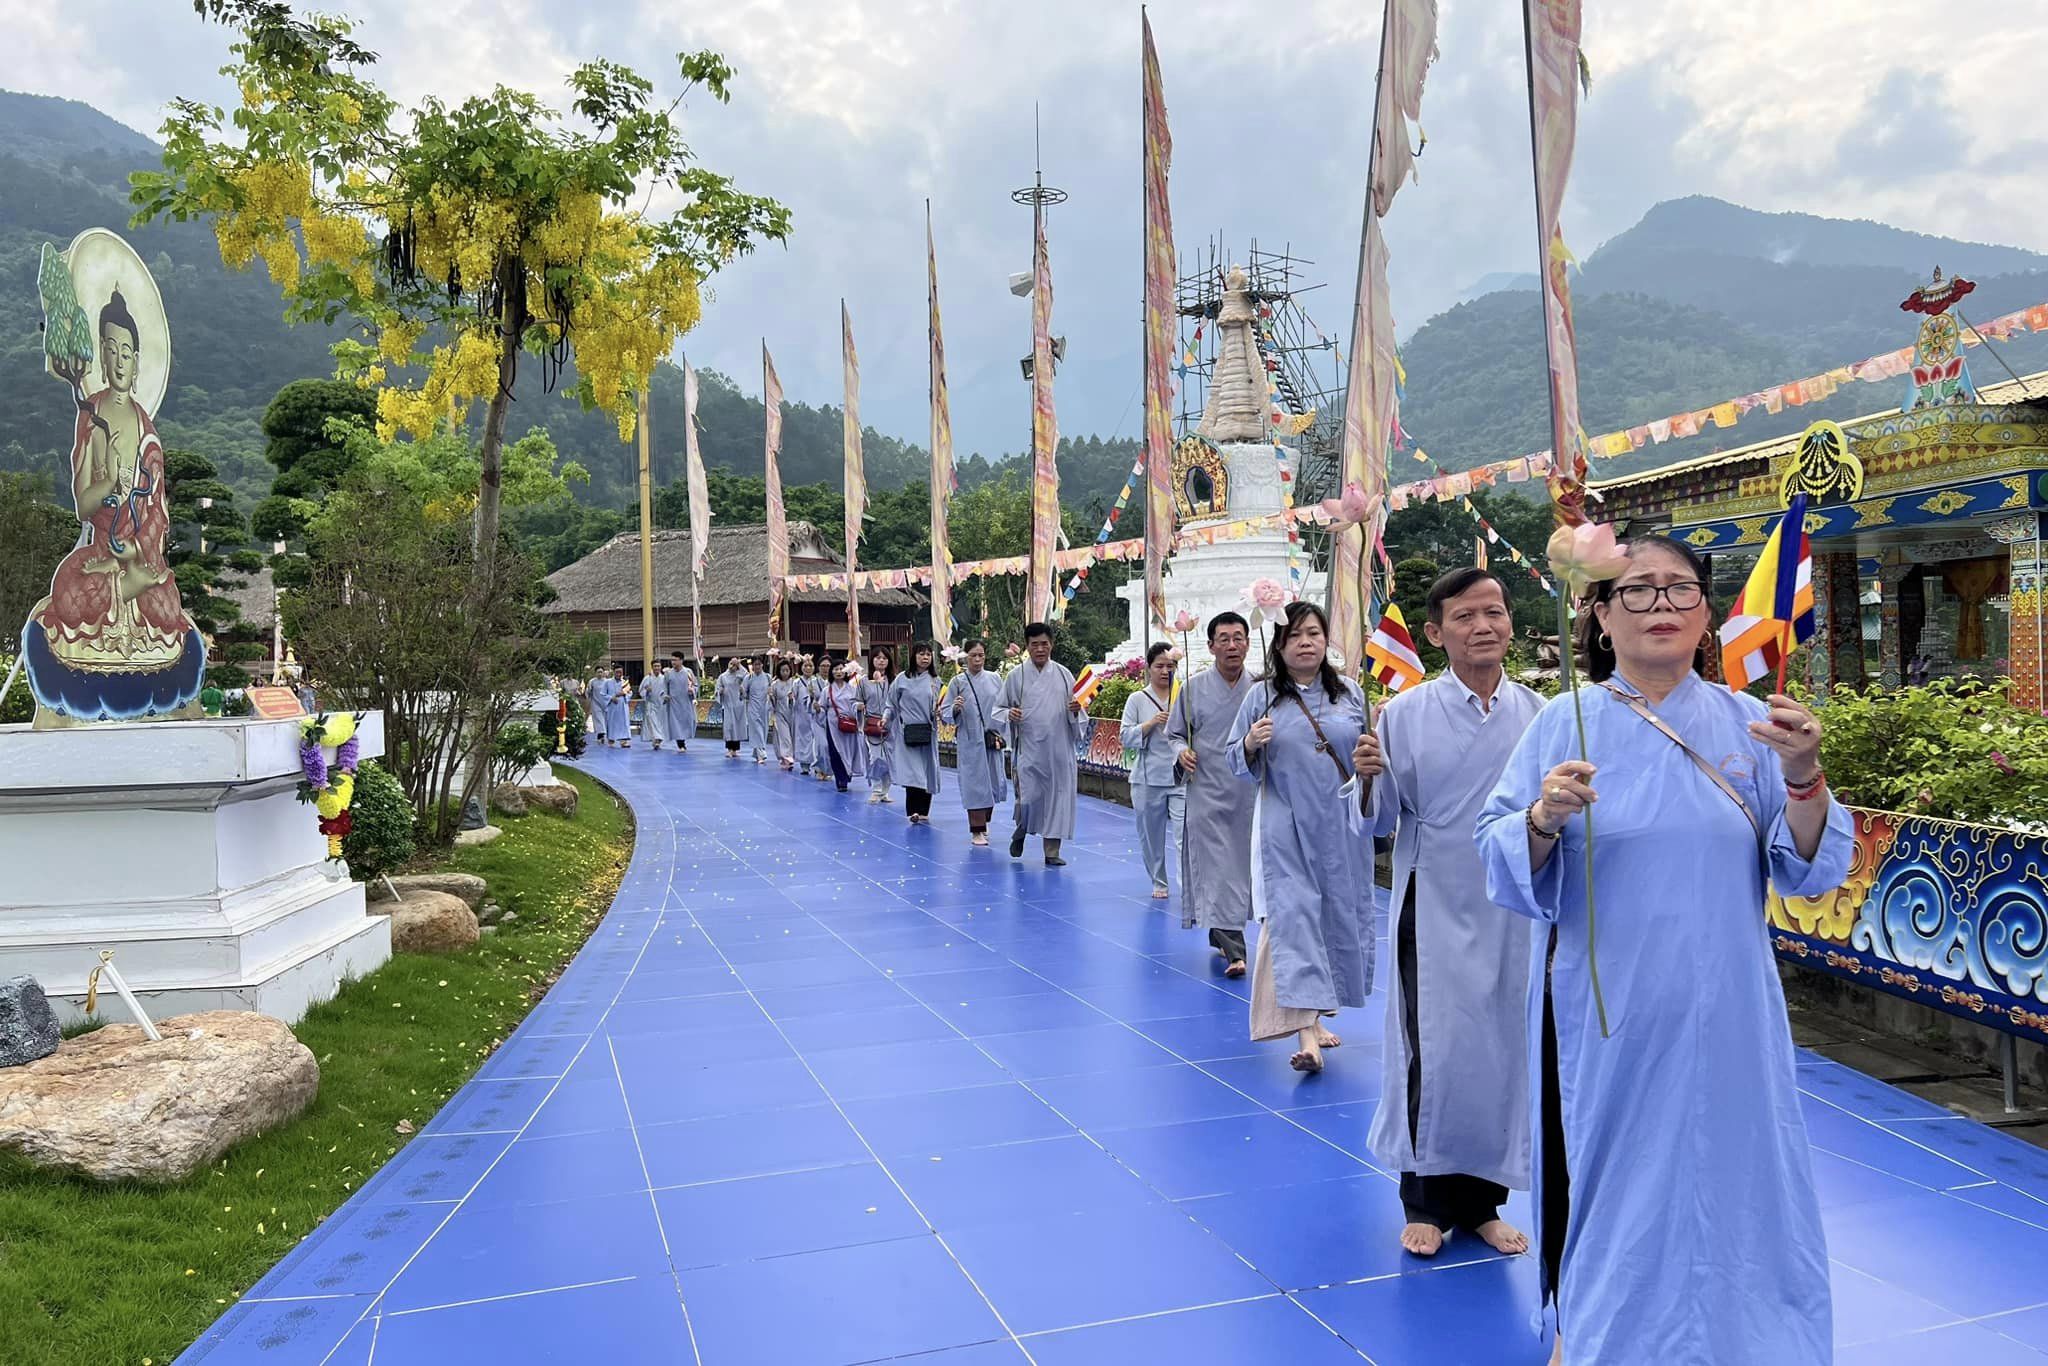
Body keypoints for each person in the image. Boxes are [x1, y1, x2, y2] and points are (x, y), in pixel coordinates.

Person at [1475, 534, 1851, 1366]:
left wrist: (1804, 773)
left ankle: (1750, 1341)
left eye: (1679, 589)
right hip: (1610, 1013)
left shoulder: (1750, 725)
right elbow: (1497, 851)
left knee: (1740, 1171)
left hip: (1730, 1008)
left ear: (1706, 614)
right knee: (1619, 1178)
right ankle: (1601, 1334)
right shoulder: (1563, 723)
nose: (1660, 606)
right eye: (1637, 591)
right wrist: (1543, 818)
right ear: (1601, 616)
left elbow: (1807, 869)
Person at [1360, 567, 1542, 1260]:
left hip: (1512, 901)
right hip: (1433, 899)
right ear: (1436, 634)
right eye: (1465, 616)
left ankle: (1483, 1202)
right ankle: (1425, 1201)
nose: (1483, 626)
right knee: (1432, 1047)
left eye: (1494, 612)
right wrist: (1368, 777)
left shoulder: (1541, 713)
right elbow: (1378, 820)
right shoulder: (1404, 713)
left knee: (1501, 1047)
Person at [1227, 600, 1371, 1074]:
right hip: (1284, 828)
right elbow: (1233, 760)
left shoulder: (1350, 693)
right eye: (1294, 635)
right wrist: (1250, 743)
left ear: (1326, 640)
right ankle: (1307, 1034)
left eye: (1313, 633)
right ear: (1279, 645)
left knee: (1331, 918)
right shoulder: (1262, 697)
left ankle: (1317, 1013)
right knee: (1292, 920)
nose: (1305, 643)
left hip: (1341, 828)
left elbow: (1369, 754)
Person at [1168, 612, 1257, 975]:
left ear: (1248, 643)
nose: (1232, 645)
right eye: (1224, 639)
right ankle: (1236, 950)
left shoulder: (1261, 689)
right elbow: (1175, 734)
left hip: (1248, 791)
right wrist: (1182, 752)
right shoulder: (1193, 688)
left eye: (1238, 638)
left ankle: (1219, 933)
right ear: (1210, 646)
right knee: (1218, 869)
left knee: (1239, 870)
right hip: (1206, 790)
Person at [1000, 622, 1090, 866]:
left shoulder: (1064, 674)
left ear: (1052, 645)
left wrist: (1076, 709)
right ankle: (1022, 827)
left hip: (1059, 749)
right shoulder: (1016, 676)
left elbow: (1078, 709)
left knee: (1058, 799)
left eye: (1044, 644)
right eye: (1034, 644)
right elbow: (998, 709)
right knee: (1029, 797)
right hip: (1029, 749)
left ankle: (1052, 851)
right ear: (1027, 646)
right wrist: (1009, 714)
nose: (1040, 649)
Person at [1120, 642, 1181, 899]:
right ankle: (1159, 881)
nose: (1165, 671)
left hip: (1180, 776)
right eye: (1160, 666)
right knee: (1151, 835)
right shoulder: (1137, 699)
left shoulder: (1183, 695)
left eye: (1170, 666)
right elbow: (1125, 736)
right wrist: (1150, 724)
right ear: (1149, 668)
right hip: (1148, 777)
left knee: (1185, 834)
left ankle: (1188, 884)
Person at [942, 639, 1008, 845]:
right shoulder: (958, 682)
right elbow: (945, 711)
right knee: (974, 785)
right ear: (966, 657)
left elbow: (1003, 705)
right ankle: (976, 830)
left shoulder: (995, 679)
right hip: (970, 740)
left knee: (992, 783)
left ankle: (985, 820)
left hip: (991, 739)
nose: (978, 659)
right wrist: (955, 707)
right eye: (973, 656)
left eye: (981, 655)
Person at [886, 642, 944, 824]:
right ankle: (912, 811)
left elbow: (941, 705)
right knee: (912, 772)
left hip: (928, 732)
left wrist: (939, 712)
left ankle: (924, 810)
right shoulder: (902, 679)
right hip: (908, 732)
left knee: (926, 770)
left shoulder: (935, 681)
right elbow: (891, 704)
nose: (925, 658)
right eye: (921, 654)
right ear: (913, 656)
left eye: (928, 654)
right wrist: (886, 718)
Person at [823, 662, 866, 793]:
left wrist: (859, 708)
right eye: (835, 669)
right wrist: (817, 708)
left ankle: (847, 772)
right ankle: (840, 779)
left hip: (849, 723)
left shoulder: (853, 688)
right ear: (831, 672)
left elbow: (857, 703)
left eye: (841, 669)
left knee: (849, 750)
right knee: (835, 752)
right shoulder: (827, 690)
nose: (839, 671)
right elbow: (822, 707)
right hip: (833, 724)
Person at [861, 648, 895, 804]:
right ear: (872, 660)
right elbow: (855, 700)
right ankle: (876, 789)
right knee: (876, 758)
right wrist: (858, 706)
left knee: (889, 759)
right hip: (872, 724)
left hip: (891, 725)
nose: (881, 661)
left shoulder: (894, 681)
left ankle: (885, 791)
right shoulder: (864, 681)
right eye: (878, 657)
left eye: (884, 658)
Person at [770, 658, 800, 770]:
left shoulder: (794, 683)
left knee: (792, 737)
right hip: (780, 714)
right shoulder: (775, 684)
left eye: (787, 670)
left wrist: (793, 698)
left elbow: (799, 698)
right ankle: (787, 758)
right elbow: (772, 702)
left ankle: (786, 758)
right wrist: (771, 697)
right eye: (783, 670)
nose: (785, 673)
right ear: (779, 671)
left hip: (792, 713)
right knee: (784, 737)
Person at [664, 652, 697, 753]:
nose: (673, 662)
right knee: (676, 724)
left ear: (681, 660)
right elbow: (664, 687)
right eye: (672, 660)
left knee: (688, 722)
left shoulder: (688, 672)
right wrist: (665, 695)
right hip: (674, 704)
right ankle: (681, 745)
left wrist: (693, 691)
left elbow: (695, 685)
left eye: (675, 660)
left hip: (686, 702)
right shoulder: (668, 673)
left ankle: (684, 741)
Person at [794, 655, 820, 775]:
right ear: (801, 667)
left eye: (810, 666)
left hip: (815, 714)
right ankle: (804, 765)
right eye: (806, 665)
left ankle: (817, 764)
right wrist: (791, 698)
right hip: (801, 714)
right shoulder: (797, 682)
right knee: (802, 738)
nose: (808, 668)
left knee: (816, 739)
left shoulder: (817, 681)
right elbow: (793, 698)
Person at [744, 657, 772, 764]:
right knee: (757, 730)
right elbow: (744, 694)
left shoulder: (768, 677)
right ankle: (762, 754)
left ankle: (756, 753)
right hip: (753, 707)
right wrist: (742, 691)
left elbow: (771, 691)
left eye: (759, 664)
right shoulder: (748, 678)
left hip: (764, 707)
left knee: (763, 730)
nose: (757, 666)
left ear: (762, 665)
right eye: (755, 664)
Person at [717, 658, 745, 758]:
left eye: (734, 665)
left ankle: (735, 750)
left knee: (737, 728)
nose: (732, 666)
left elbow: (747, 676)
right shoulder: (723, 676)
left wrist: (740, 665)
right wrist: (720, 691)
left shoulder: (739, 676)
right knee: (728, 727)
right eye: (731, 663)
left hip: (738, 705)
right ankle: (729, 749)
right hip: (727, 705)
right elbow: (718, 688)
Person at [643, 661, 670, 750]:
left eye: (658, 666)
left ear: (661, 667)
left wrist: (666, 696)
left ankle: (656, 741)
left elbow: (667, 690)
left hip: (661, 704)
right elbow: (641, 690)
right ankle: (658, 738)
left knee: (659, 723)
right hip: (651, 704)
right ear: (652, 667)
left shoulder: (664, 678)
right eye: (655, 666)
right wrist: (646, 691)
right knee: (652, 721)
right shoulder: (648, 678)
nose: (657, 668)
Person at [604, 664, 631, 748]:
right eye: (617, 672)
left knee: (623, 723)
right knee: (612, 722)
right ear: (614, 672)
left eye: (620, 672)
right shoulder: (607, 682)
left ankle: (623, 741)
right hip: (612, 706)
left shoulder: (625, 682)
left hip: (623, 705)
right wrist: (611, 698)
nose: (619, 674)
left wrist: (624, 694)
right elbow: (603, 694)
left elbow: (630, 693)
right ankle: (611, 740)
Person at [587, 669, 611, 744]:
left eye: (601, 672)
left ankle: (603, 735)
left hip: (605, 703)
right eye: (598, 672)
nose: (600, 674)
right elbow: (588, 692)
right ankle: (600, 735)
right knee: (598, 719)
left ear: (603, 672)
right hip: (596, 703)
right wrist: (589, 690)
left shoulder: (607, 681)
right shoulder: (592, 681)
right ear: (595, 673)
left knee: (604, 720)